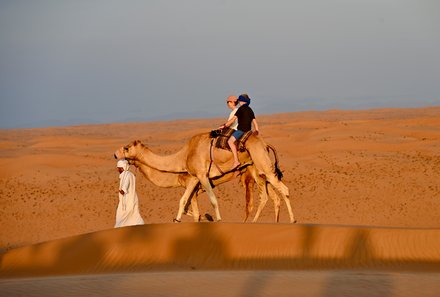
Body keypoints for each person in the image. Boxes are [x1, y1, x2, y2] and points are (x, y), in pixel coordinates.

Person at [219, 94, 259, 170]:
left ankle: (236, 161)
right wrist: (257, 130)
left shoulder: (240, 109)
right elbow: (254, 121)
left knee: (230, 141)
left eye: (240, 101)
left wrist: (224, 126)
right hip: (249, 131)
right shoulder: (250, 109)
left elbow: (232, 120)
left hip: (241, 130)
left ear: (242, 102)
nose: (239, 102)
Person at [114, 159, 144, 228]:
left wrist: (123, 190)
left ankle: (119, 228)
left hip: (128, 199)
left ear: (122, 168)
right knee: (130, 213)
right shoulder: (128, 174)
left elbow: (126, 183)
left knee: (125, 213)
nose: (118, 170)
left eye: (119, 168)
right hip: (128, 199)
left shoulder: (127, 174)